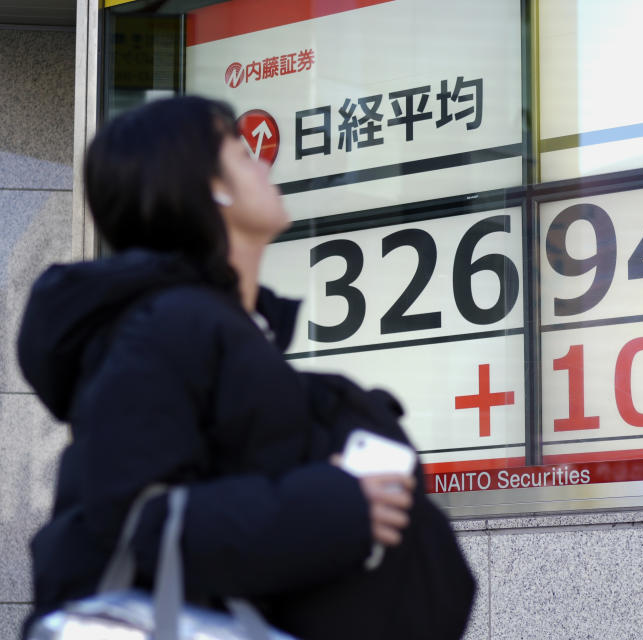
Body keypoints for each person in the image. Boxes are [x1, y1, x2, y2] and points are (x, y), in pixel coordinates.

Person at [16, 96, 475, 639]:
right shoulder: (164, 324)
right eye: (240, 148)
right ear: (211, 185)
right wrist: (337, 505)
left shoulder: (220, 327)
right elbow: (136, 518)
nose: (262, 162)